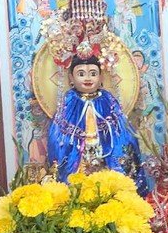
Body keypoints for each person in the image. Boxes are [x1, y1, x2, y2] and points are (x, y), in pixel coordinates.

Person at [45, 30, 151, 192]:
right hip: (78, 169)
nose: (87, 78)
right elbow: (56, 138)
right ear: (71, 79)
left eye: (93, 73)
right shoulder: (67, 103)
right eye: (81, 74)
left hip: (105, 167)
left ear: (101, 78)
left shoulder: (108, 101)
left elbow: (123, 135)